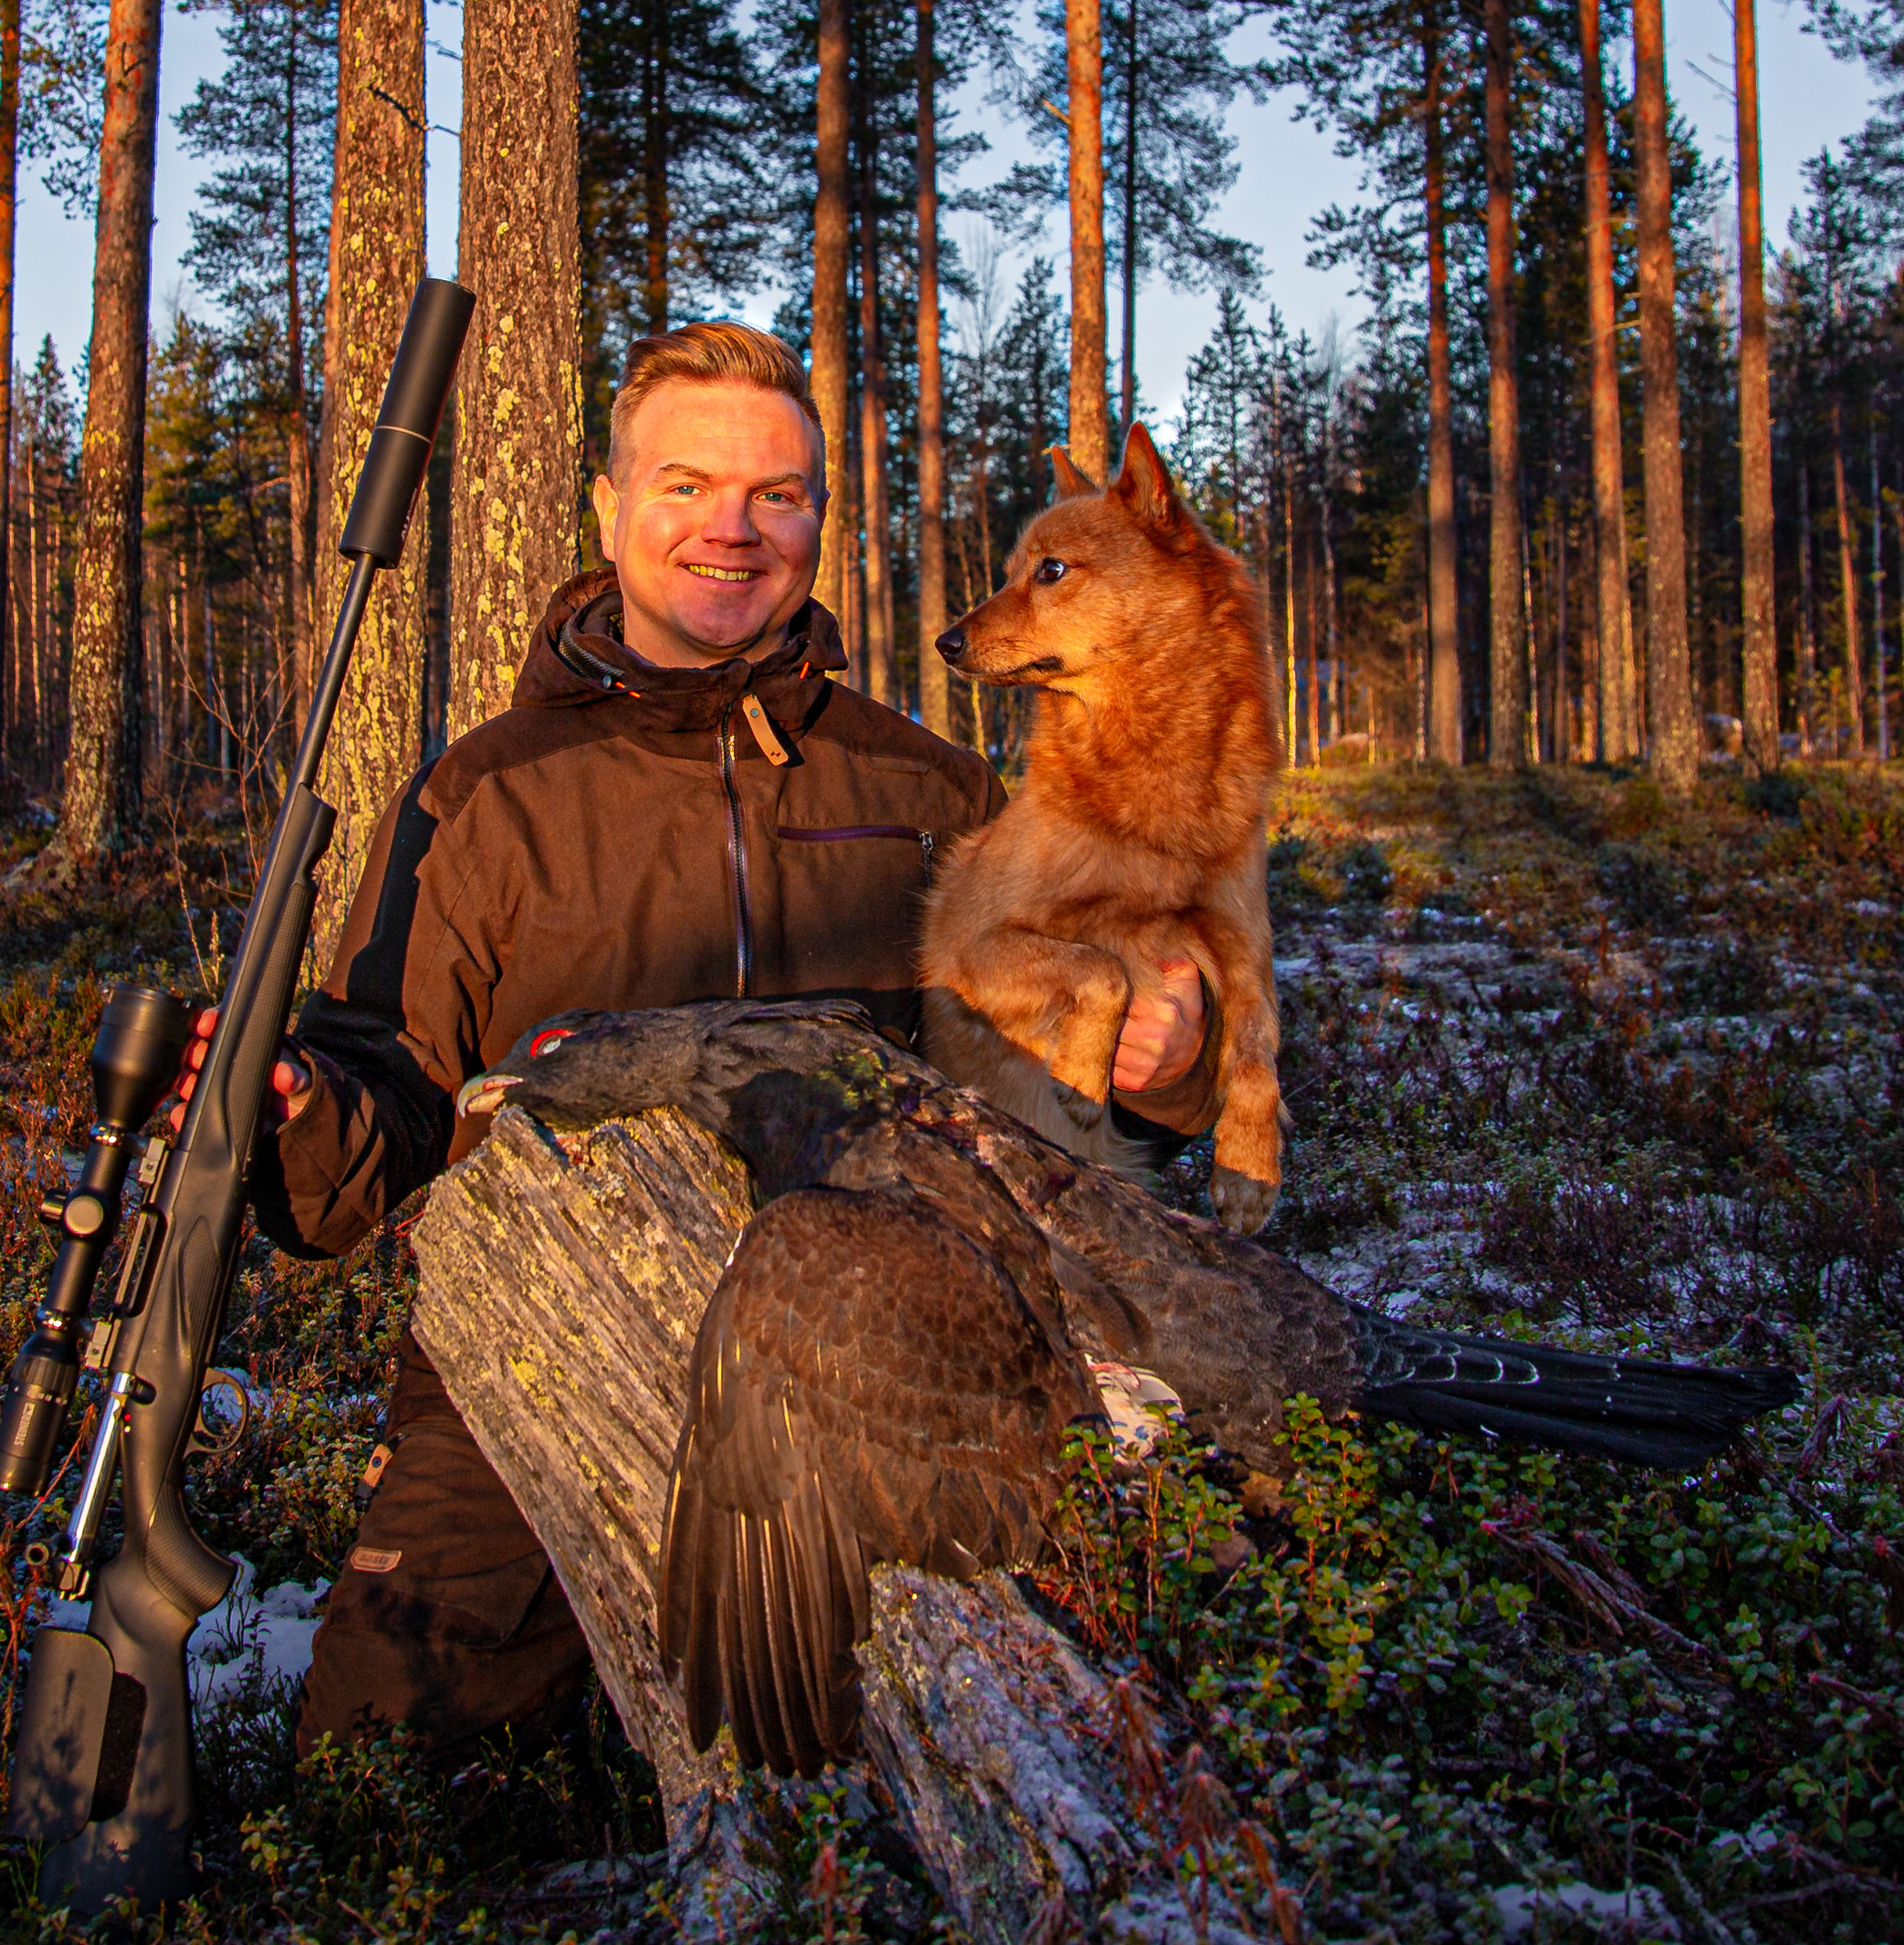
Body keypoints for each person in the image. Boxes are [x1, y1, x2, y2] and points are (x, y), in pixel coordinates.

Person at [173, 319, 1217, 1759]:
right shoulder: (482, 798)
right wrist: (288, 1105)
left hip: (873, 1360)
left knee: (966, 1753)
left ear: (818, 524)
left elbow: (1061, 1112)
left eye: (777, 496)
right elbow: (384, 1121)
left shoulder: (933, 788)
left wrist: (1164, 1069)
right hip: (539, 1341)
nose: (732, 530)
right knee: (386, 1767)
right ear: (609, 509)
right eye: (686, 485)